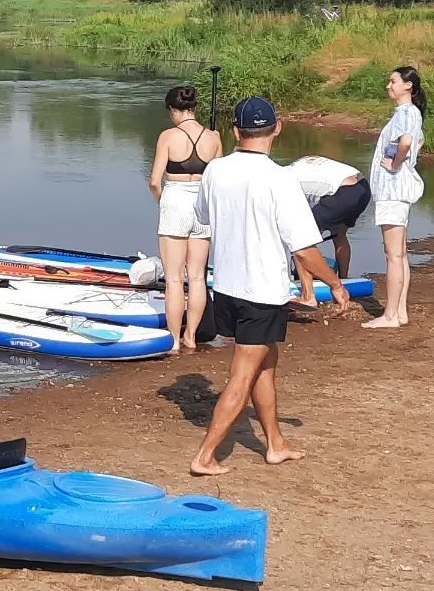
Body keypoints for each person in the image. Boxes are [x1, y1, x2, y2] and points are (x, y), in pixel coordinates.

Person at [190, 97, 349, 477]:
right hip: (261, 292)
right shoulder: (281, 179)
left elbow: (203, 216)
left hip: (226, 287)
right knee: (243, 375)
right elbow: (304, 250)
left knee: (264, 366)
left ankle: (275, 444)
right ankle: (205, 456)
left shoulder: (215, 170)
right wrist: (335, 284)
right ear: (277, 128)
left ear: (235, 131)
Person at [148, 84, 222, 351]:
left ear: (172, 109)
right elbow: (218, 180)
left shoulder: (168, 136)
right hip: (203, 206)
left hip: (175, 202)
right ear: (194, 108)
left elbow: (154, 181)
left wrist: (162, 202)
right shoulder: (213, 137)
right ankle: (191, 336)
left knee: (174, 278)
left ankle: (174, 340)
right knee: (198, 277)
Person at [362, 67, 425, 329]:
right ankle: (399, 312)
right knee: (399, 253)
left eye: (393, 81)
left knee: (393, 254)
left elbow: (406, 142)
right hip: (396, 191)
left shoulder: (406, 113)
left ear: (408, 86)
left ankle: (389, 316)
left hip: (393, 190)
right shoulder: (409, 113)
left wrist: (395, 163)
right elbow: (412, 142)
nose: (389, 86)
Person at [286, 156, 371, 306]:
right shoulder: (296, 166)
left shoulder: (283, 183)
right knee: (339, 235)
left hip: (342, 192)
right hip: (362, 187)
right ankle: (344, 279)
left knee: (301, 241)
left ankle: (308, 296)